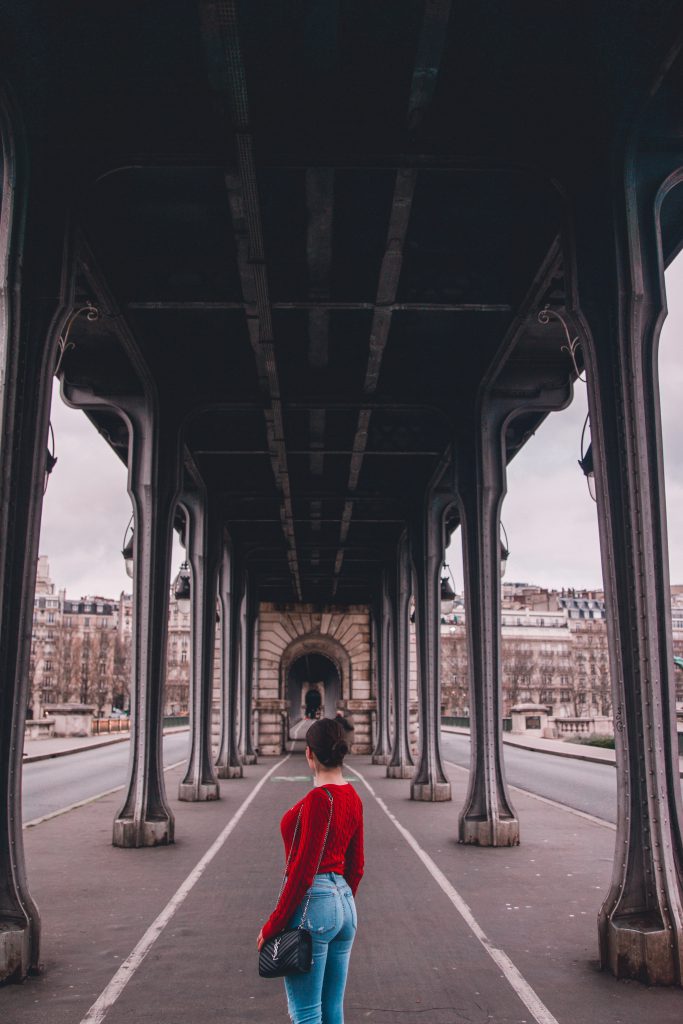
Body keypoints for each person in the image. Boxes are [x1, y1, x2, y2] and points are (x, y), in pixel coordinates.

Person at [257, 717, 364, 1024]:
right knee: (332, 1009)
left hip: (316, 903)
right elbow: (356, 865)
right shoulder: (353, 797)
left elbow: (303, 871)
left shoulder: (319, 799)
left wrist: (272, 925)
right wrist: (341, 902)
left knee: (306, 1014)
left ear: (309, 754)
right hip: (344, 906)